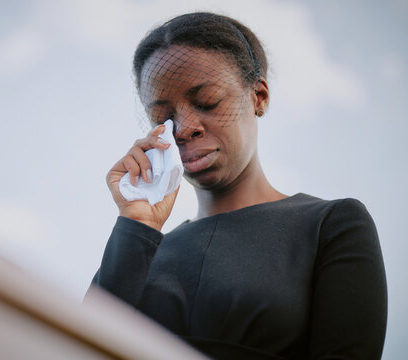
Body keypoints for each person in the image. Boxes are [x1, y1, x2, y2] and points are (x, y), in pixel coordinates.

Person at [87, 12, 387, 360]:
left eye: (208, 101)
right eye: (163, 118)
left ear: (258, 96)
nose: (183, 128)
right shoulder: (140, 250)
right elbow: (73, 346)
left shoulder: (330, 225)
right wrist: (136, 225)